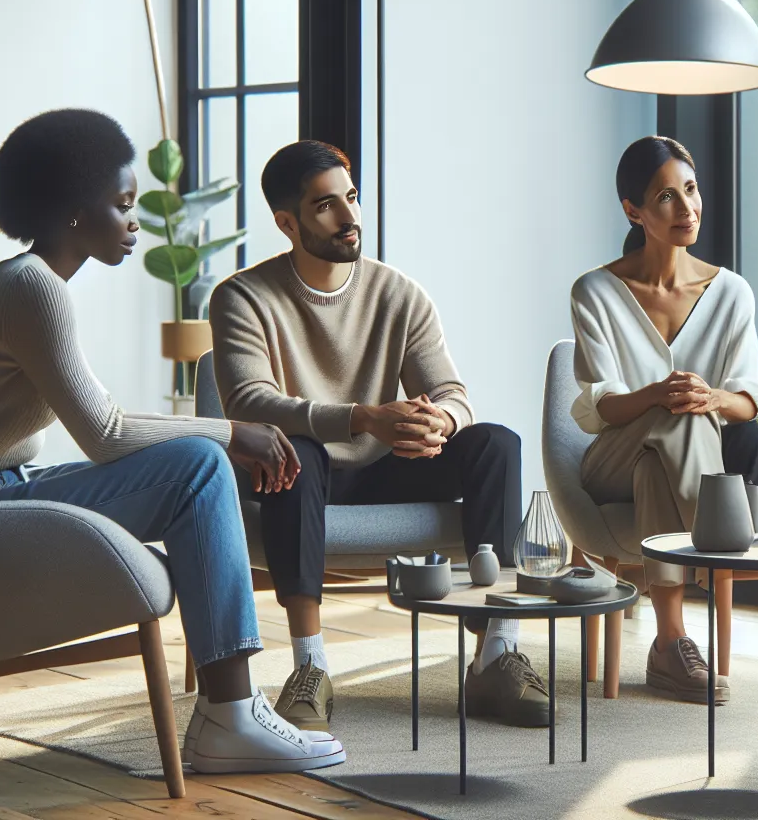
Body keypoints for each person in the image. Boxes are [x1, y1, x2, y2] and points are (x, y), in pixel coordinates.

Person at [0, 109, 345, 774]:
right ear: (74, 213)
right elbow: (105, 434)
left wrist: (226, 435)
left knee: (195, 464)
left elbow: (104, 425)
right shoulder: (33, 289)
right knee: (198, 466)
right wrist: (234, 430)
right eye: (122, 204)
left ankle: (231, 712)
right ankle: (231, 715)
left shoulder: (25, 283)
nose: (135, 220)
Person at [208, 141, 532, 730]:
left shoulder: (399, 294)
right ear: (287, 222)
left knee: (496, 442)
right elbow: (249, 401)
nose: (349, 217)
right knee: (295, 449)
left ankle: (496, 655)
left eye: (351, 198)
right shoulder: (242, 298)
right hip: (302, 475)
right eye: (325, 206)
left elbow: (454, 393)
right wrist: (363, 417)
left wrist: (439, 421)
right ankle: (310, 667)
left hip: (386, 465)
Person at [571, 136, 758, 704]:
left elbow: (749, 401)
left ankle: (669, 641)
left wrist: (707, 398)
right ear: (634, 211)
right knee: (671, 420)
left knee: (673, 441)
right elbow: (602, 406)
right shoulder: (596, 291)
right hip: (610, 457)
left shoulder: (730, 292)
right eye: (665, 197)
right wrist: (659, 394)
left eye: (691, 189)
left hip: (668, 461)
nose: (687, 209)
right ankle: (720, 539)